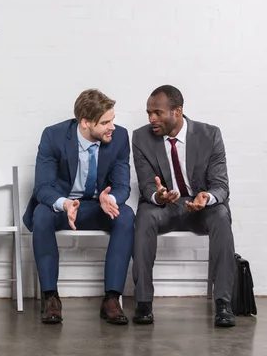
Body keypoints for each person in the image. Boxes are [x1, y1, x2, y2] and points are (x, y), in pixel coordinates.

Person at [23, 89, 135, 325]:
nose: (112, 126)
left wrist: (110, 199)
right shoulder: (53, 136)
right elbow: (42, 187)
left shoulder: (120, 138)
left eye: (112, 120)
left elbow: (123, 185)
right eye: (105, 122)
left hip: (97, 207)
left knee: (125, 215)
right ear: (85, 122)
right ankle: (51, 297)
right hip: (65, 207)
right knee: (41, 214)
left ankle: (112, 298)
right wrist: (64, 204)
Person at [132, 84, 236, 327]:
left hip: (200, 207)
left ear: (177, 112)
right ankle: (144, 302)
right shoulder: (141, 137)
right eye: (149, 113)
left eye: (157, 113)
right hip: (165, 206)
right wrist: (158, 196)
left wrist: (206, 198)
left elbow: (221, 185)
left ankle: (223, 303)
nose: (151, 119)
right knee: (145, 215)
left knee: (221, 214)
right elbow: (147, 184)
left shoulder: (210, 135)